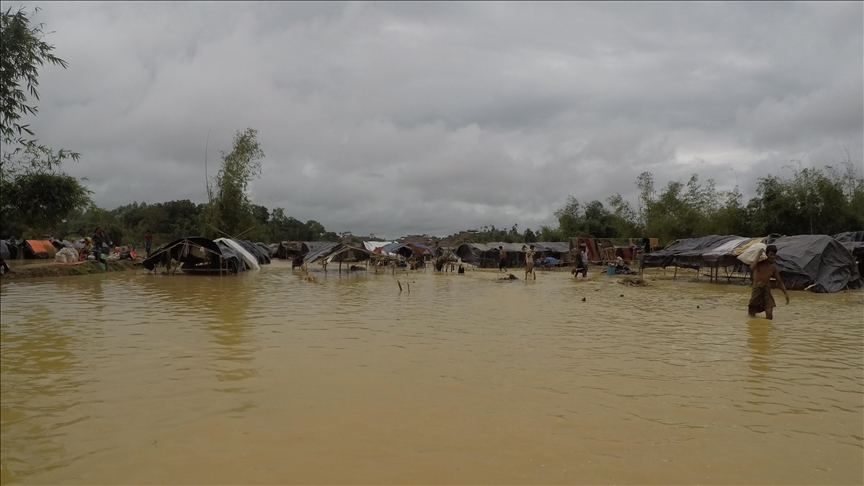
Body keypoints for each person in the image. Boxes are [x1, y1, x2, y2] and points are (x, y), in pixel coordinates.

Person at [748, 245, 790, 320]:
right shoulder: (759, 264)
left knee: (769, 314)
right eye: (771, 254)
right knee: (752, 312)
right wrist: (759, 254)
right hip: (757, 288)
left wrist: (786, 294)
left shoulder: (773, 268)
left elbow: (779, 282)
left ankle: (767, 329)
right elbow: (751, 267)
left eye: (774, 255)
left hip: (767, 289)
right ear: (766, 255)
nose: (773, 257)